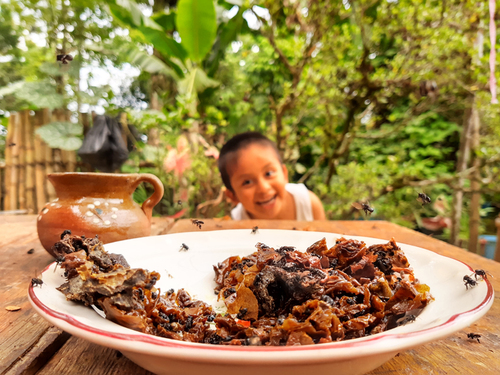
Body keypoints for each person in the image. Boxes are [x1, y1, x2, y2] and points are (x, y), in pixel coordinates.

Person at [218, 132, 326, 220]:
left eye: (268, 173)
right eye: (247, 182)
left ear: (284, 174)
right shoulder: (239, 224)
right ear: (233, 196)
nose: (264, 188)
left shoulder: (308, 204)